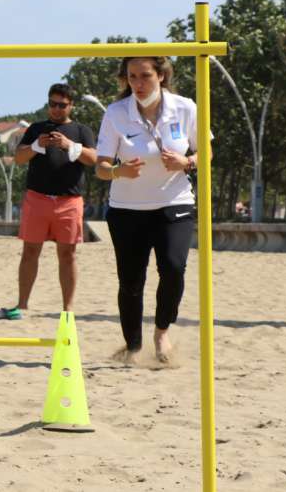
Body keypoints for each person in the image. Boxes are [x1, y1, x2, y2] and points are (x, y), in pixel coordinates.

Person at [95, 57, 211, 364]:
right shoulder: (116, 113)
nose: (138, 83)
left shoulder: (184, 107)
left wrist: (187, 162)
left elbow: (206, 151)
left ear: (160, 75)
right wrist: (119, 172)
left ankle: (161, 332)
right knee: (131, 282)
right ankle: (132, 345)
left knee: (173, 268)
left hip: (175, 203)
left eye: (145, 75)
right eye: (132, 76)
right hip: (127, 210)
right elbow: (101, 167)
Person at [14, 83, 97, 313]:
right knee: (30, 251)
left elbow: (94, 159)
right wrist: (36, 145)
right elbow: (19, 158)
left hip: (69, 201)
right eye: (52, 104)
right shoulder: (36, 129)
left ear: (71, 105)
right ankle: (22, 303)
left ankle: (68, 307)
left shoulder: (82, 130)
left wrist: (69, 145)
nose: (56, 109)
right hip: (37, 198)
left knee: (68, 254)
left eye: (62, 105)